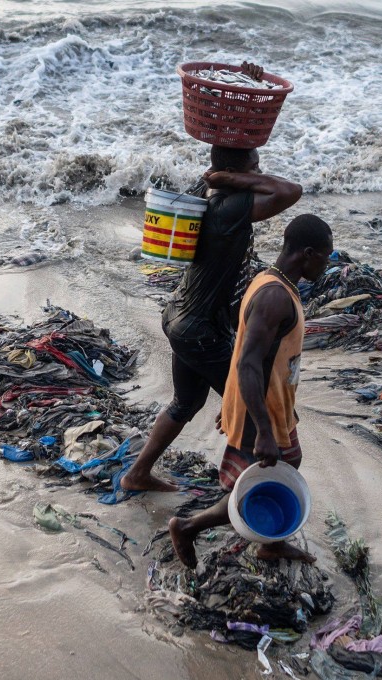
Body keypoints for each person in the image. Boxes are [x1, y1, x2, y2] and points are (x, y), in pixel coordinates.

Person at [120, 140, 302, 492]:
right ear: (237, 173)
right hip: (198, 330)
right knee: (257, 411)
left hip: (180, 316)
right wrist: (237, 179)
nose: (261, 172)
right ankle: (248, 500)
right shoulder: (231, 208)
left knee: (186, 402)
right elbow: (290, 191)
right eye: (256, 166)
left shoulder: (205, 195)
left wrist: (230, 177)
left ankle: (137, 475)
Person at [169, 214, 333, 567]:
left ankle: (271, 544)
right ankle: (187, 527)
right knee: (248, 486)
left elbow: (249, 353)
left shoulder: (272, 281)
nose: (328, 263)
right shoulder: (275, 297)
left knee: (289, 462)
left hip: (274, 405)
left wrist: (238, 402)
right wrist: (258, 427)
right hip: (261, 413)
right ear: (307, 253)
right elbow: (247, 362)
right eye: (325, 255)